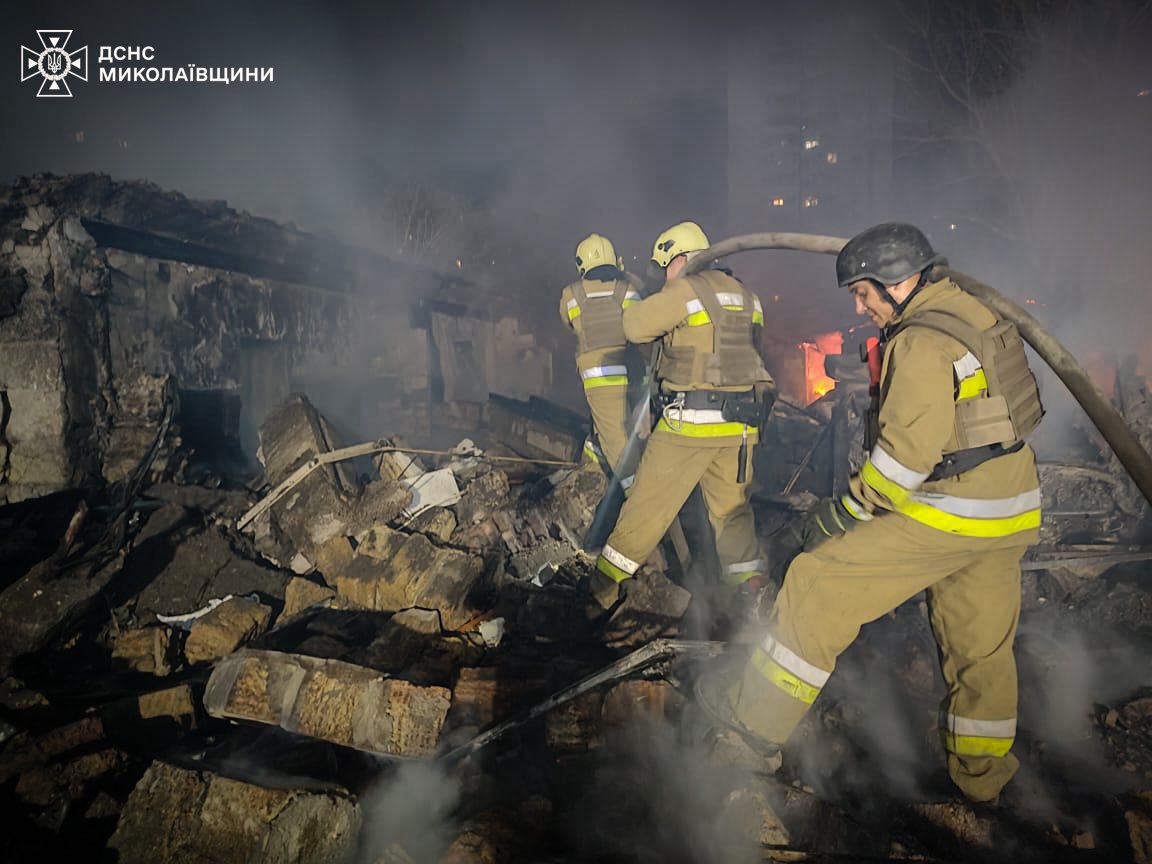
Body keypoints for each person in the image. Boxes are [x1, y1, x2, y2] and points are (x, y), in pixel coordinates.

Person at [695, 222, 1045, 804]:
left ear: (897, 281)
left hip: (951, 510)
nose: (860, 306)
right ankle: (982, 784)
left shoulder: (919, 341)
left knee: (816, 586)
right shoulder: (971, 313)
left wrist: (843, 513)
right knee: (979, 647)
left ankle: (749, 726)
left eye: (863, 293)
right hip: (1008, 509)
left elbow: (903, 463)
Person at [588, 220, 774, 612]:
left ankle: (602, 589)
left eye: (667, 265)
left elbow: (634, 326)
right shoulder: (748, 295)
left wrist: (650, 298)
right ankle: (752, 596)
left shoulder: (686, 289)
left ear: (683, 259)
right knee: (733, 514)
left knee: (646, 507)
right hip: (740, 428)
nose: (666, 274)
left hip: (690, 424)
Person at [560, 233, 644, 486]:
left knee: (616, 440)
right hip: (633, 374)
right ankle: (602, 470)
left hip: (599, 379)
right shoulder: (628, 290)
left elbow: (569, 324)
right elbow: (643, 323)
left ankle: (634, 494)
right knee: (623, 431)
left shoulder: (571, 295)